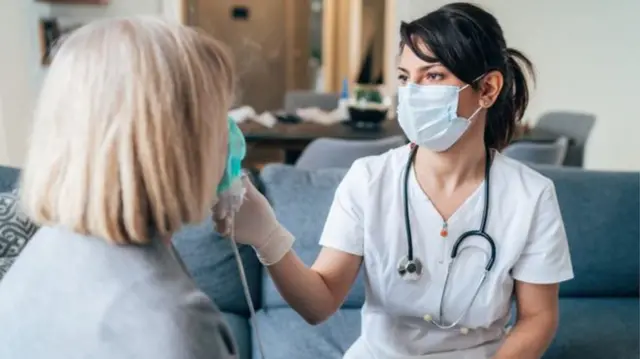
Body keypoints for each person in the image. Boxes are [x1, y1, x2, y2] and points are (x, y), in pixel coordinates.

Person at [227, 3, 574, 359]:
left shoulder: (530, 196)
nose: (411, 92)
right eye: (406, 77)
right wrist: (267, 238)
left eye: (434, 76)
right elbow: (319, 304)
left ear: (487, 89)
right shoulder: (369, 180)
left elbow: (538, 318)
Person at [0, 17, 240, 359]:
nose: (231, 140)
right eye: (220, 120)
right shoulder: (172, 324)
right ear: (177, 144)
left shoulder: (47, 248)